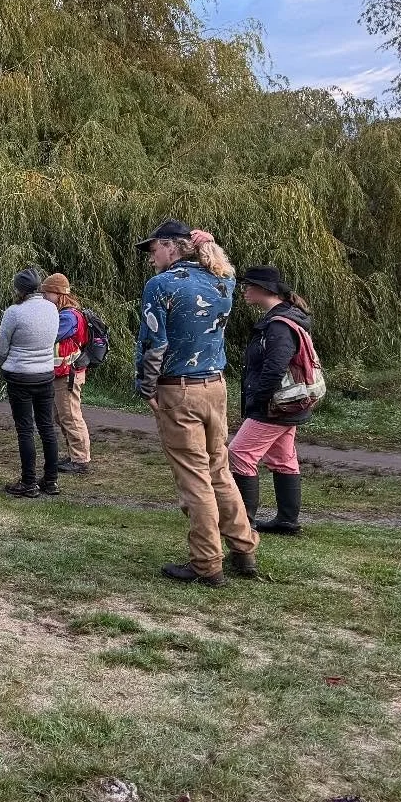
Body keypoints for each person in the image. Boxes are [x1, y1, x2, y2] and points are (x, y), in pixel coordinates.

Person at [135, 219, 256, 585]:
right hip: (216, 386)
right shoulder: (225, 281)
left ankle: (206, 563)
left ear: (172, 247)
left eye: (153, 248)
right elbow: (221, 262)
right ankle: (244, 549)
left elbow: (154, 343)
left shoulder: (161, 285)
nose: (151, 257)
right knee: (219, 468)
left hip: (179, 389)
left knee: (194, 477)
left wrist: (147, 388)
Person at [230, 266, 314, 536]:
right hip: (288, 405)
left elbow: (275, 367)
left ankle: (243, 521)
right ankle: (287, 521)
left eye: (249, 285)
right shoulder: (284, 319)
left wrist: (258, 398)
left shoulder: (278, 325)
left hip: (274, 406)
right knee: (283, 459)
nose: (244, 290)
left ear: (265, 290)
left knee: (239, 454)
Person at [0, 268, 62, 498]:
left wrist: (6, 362)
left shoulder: (14, 312)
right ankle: (51, 480)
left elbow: (2, 347)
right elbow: (52, 338)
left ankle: (28, 482)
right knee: (47, 428)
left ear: (19, 289)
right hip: (45, 374)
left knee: (25, 429)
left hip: (20, 375)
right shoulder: (52, 309)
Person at [42, 273, 93, 475]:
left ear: (58, 293)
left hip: (68, 374)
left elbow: (50, 336)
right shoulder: (66, 313)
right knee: (61, 416)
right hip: (62, 373)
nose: (45, 297)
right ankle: (75, 454)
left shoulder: (68, 316)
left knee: (70, 416)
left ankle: (80, 460)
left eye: (47, 293)